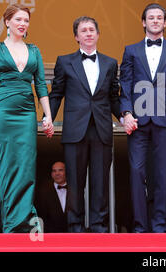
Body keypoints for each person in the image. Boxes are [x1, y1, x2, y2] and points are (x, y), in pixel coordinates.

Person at [0, 3, 53, 233]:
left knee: (25, 165)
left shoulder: (35, 50)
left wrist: (47, 115)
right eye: (18, 19)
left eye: (26, 20)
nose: (23, 24)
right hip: (2, 110)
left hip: (27, 112)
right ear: (7, 22)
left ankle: (21, 222)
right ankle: (8, 222)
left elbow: (40, 85)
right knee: (5, 166)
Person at [119, 3, 166, 233]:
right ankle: (140, 226)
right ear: (143, 22)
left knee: (162, 175)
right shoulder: (131, 50)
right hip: (137, 121)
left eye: (160, 17)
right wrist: (126, 113)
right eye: (151, 17)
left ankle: (160, 226)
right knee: (137, 173)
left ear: (165, 23)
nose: (156, 21)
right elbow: (125, 84)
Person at [48, 16, 120, 233]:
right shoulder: (64, 61)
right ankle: (75, 226)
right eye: (83, 30)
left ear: (97, 34)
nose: (88, 33)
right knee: (75, 183)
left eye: (92, 30)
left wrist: (125, 114)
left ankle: (99, 226)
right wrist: (48, 117)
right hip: (74, 130)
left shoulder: (110, 63)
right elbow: (57, 93)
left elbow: (113, 97)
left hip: (101, 129)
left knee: (100, 183)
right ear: (76, 37)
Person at [36, 161, 68, 233]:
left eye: (60, 170)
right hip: (51, 235)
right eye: (54, 171)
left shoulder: (75, 190)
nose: (57, 173)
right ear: (51, 174)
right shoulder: (43, 192)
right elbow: (41, 216)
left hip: (72, 235)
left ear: (67, 172)